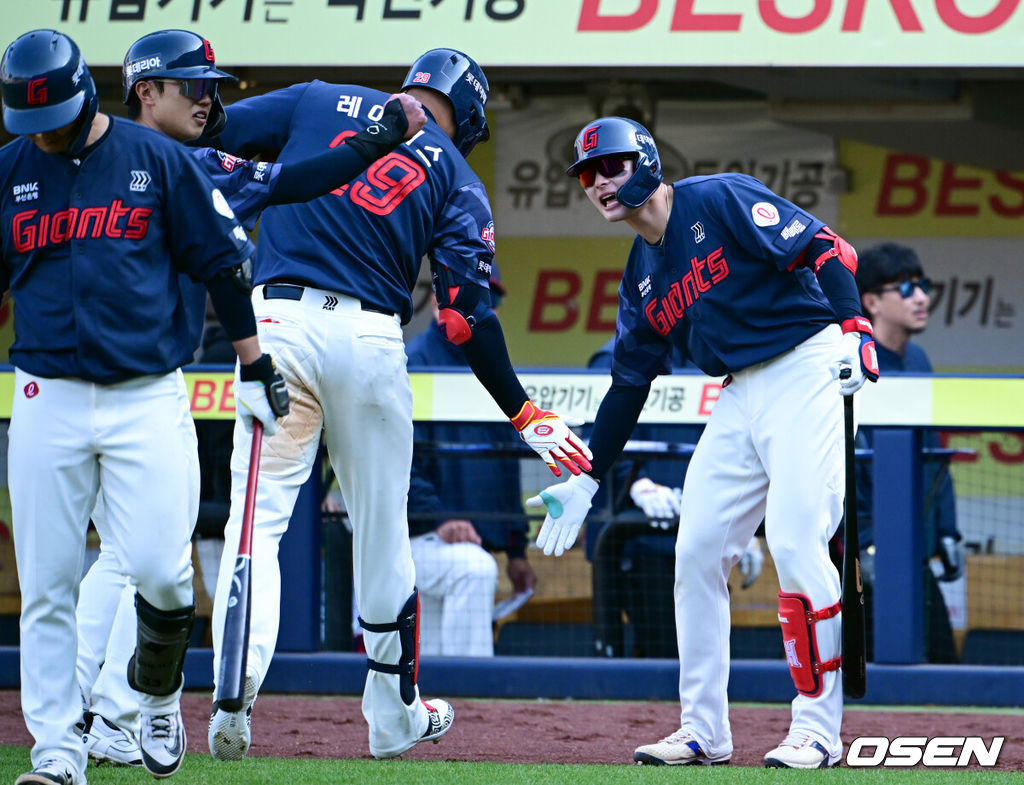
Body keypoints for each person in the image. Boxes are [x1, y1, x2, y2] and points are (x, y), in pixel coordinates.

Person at [204, 48, 590, 761]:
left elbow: (210, 128)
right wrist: (524, 412)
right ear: (468, 116)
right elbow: (464, 317)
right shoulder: (460, 177)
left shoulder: (320, 96)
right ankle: (392, 717)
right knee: (383, 535)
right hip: (373, 338)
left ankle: (234, 689)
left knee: (256, 521)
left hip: (278, 323)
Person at [71, 28, 427, 769]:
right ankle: (102, 715)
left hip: (95, 380)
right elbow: (296, 181)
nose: (212, 98)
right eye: (195, 86)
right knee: (131, 558)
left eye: (213, 85)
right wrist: (384, 136)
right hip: (125, 385)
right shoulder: (173, 163)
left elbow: (288, 184)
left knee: (126, 558)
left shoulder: (127, 159)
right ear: (147, 90)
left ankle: (100, 717)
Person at [526, 116, 879, 768]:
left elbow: (826, 248)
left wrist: (855, 323)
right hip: (740, 390)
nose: (600, 181)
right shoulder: (639, 277)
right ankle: (704, 729)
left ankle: (818, 730)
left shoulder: (715, 198)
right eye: (587, 174)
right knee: (697, 549)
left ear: (649, 162)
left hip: (805, 358)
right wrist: (585, 476)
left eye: (613, 165)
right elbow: (628, 386)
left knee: (800, 542)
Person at [0, 29, 289, 785]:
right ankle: (59, 755)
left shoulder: (153, 159)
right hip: (45, 394)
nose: (48, 133)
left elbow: (224, 259)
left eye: (57, 116)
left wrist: (253, 363)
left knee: (163, 574)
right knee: (49, 587)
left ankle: (156, 691)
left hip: (147, 394)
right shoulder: (11, 170)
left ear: (87, 95)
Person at [586, 338, 763, 658]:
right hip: (639, 545)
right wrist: (637, 483)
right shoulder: (615, 355)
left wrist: (746, 521)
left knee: (707, 646)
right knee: (665, 649)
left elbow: (741, 442)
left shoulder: (719, 352)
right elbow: (597, 436)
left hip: (707, 535)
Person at [406, 267, 535, 657]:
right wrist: (437, 519)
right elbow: (396, 463)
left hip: (464, 545)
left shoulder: (491, 366)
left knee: (432, 663)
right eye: (463, 296)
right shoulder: (412, 362)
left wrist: (516, 550)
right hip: (410, 538)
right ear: (435, 300)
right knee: (473, 570)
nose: (476, 308)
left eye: (485, 300)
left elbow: (504, 466)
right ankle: (476, 699)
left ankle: (452, 708)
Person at [854, 242, 962, 663]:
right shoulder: (849, 361)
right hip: (860, 561)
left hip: (914, 552)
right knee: (865, 675)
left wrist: (947, 531)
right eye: (905, 289)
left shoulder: (917, 359)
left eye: (923, 285)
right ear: (872, 302)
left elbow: (934, 454)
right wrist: (861, 545)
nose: (921, 297)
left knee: (941, 663)